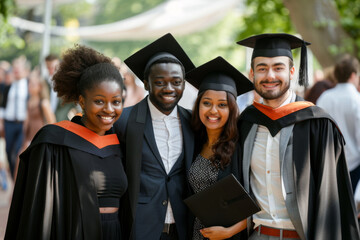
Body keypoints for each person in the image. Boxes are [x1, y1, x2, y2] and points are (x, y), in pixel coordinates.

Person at [236, 33, 359, 239]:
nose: (270, 76)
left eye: (278, 67)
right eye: (262, 68)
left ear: (292, 71)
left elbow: (331, 198)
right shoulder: (246, 123)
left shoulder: (316, 123)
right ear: (252, 74)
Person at [5, 45, 127, 240]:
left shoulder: (120, 143)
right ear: (81, 100)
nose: (109, 109)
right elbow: (38, 212)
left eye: (116, 101)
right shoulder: (55, 141)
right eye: (99, 101)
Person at [114, 33, 195, 240]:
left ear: (184, 84)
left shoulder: (193, 122)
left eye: (176, 82)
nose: (169, 88)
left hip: (182, 228)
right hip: (140, 229)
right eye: (160, 82)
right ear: (146, 84)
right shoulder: (124, 121)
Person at [185, 56, 253, 239]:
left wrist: (229, 232)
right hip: (196, 234)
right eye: (206, 103)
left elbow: (258, 202)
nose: (213, 111)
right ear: (198, 104)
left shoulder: (242, 145)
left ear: (231, 109)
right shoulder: (193, 142)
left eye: (222, 105)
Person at [316, 54, 360, 192]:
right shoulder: (357, 100)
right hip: (354, 167)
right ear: (353, 75)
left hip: (329, 165)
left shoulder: (324, 98)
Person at [0, 56, 30, 178]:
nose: (16, 70)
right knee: (8, 150)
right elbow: (2, 106)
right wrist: (1, 122)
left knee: (18, 152)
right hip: (9, 122)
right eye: (15, 68)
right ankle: (13, 177)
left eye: (19, 68)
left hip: (22, 123)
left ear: (25, 70)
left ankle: (18, 178)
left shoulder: (28, 86)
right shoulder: (8, 86)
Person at [45, 54, 79, 121]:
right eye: (48, 68)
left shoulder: (68, 84)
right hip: (48, 122)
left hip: (63, 121)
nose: (51, 70)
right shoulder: (45, 83)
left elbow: (75, 106)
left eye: (54, 67)